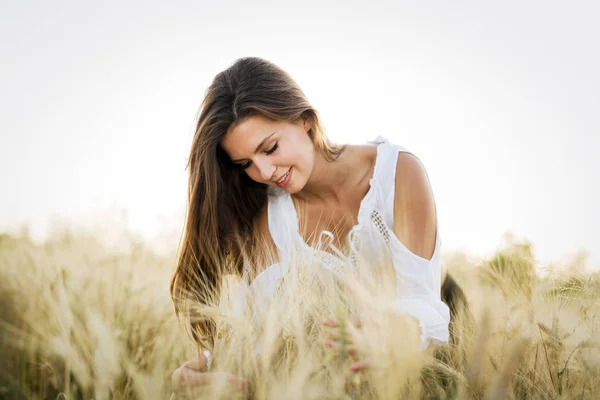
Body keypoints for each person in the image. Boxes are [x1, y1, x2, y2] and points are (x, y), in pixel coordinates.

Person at [169, 56, 469, 398]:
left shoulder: (398, 173)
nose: (264, 171)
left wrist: (397, 328)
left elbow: (422, 300)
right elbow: (259, 330)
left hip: (421, 372)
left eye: (269, 148)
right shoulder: (271, 217)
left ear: (306, 121)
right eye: (245, 164)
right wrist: (204, 368)